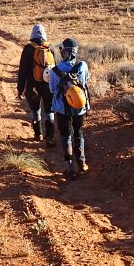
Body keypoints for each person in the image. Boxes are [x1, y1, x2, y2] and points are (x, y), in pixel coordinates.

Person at [50, 38, 91, 178]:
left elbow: (51, 89)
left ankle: (69, 168)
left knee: (65, 135)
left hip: (62, 109)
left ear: (64, 52)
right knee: (78, 132)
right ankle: (82, 163)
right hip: (80, 107)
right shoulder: (83, 65)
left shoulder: (54, 70)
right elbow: (86, 81)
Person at [16, 24, 57, 146]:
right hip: (48, 86)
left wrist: (20, 88)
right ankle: (49, 137)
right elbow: (57, 69)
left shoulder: (28, 49)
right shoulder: (51, 48)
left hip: (32, 86)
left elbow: (22, 70)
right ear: (44, 34)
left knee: (35, 110)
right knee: (49, 111)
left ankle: (38, 134)